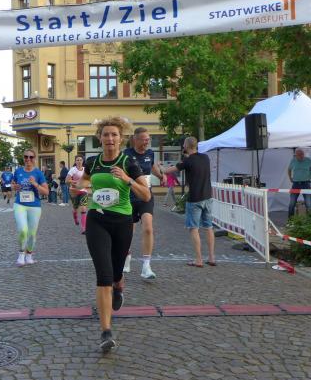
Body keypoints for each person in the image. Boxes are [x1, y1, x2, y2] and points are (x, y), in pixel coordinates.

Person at [71, 117, 150, 352]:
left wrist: (127, 179)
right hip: (97, 221)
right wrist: (78, 189)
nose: (110, 138)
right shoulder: (93, 162)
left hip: (122, 222)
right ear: (100, 138)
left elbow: (146, 195)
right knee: (103, 275)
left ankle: (119, 286)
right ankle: (106, 331)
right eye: (105, 134)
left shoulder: (128, 162)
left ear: (121, 138)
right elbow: (84, 182)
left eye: (114, 134)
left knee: (115, 273)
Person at [123, 127, 165, 280]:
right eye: (144, 139)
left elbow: (152, 166)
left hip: (146, 196)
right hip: (129, 197)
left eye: (148, 139)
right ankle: (126, 257)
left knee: (148, 228)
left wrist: (160, 176)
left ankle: (146, 266)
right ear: (135, 139)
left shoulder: (150, 153)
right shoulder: (126, 154)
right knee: (128, 232)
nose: (147, 142)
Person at [167, 137, 216, 267]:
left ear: (186, 146)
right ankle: (212, 258)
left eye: (184, 144)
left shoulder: (187, 161)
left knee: (194, 228)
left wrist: (160, 167)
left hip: (194, 199)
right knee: (209, 227)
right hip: (208, 196)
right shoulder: (205, 158)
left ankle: (198, 260)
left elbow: (168, 171)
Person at [11, 149, 49, 266]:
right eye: (26, 157)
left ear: (34, 159)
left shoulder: (38, 173)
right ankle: (21, 254)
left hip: (34, 206)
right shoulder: (18, 171)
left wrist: (35, 184)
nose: (28, 159)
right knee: (23, 230)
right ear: (23, 158)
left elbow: (46, 192)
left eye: (31, 157)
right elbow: (13, 184)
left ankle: (29, 255)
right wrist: (14, 187)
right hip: (20, 205)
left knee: (32, 234)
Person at [287, 148, 311, 217]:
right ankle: (290, 221)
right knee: (292, 203)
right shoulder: (293, 160)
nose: (301, 156)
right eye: (299, 155)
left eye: (302, 154)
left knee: (308, 203)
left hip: (306, 183)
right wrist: (290, 177)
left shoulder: (308, 160)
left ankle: (309, 221)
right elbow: (289, 169)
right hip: (295, 184)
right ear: (295, 155)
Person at [68, 155, 88, 233]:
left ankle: (84, 228)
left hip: (83, 191)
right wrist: (76, 182)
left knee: (83, 208)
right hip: (74, 191)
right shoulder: (73, 170)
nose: (79, 161)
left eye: (80, 160)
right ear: (75, 161)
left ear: (83, 161)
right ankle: (75, 217)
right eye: (77, 160)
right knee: (75, 208)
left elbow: (89, 179)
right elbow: (67, 180)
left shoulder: (85, 170)